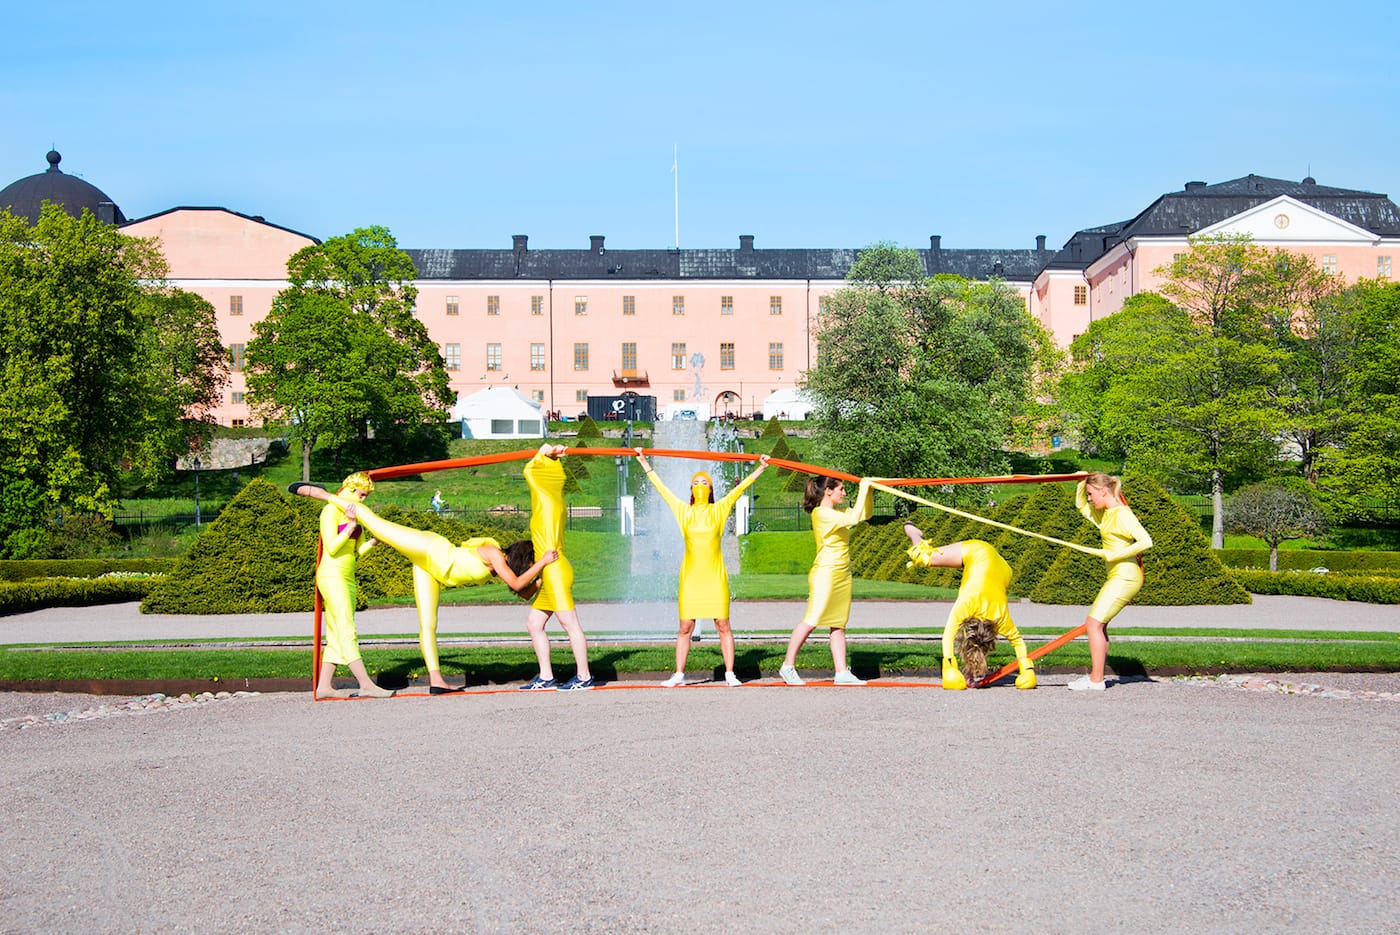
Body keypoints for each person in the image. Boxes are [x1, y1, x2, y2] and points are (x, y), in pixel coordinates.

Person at [290, 482, 559, 693]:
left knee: (428, 624)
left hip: (432, 570)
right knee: (376, 524)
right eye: (530, 563)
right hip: (431, 549)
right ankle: (319, 493)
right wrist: (544, 561)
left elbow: (522, 590)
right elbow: (516, 582)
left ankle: (436, 680)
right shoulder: (493, 553)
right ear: (520, 558)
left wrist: (541, 577)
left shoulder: (501, 568)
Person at [634, 450, 770, 686]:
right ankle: (678, 674)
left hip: (715, 578)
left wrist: (761, 467)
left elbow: (741, 489)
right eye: (695, 482)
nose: (699, 485)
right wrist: (644, 461)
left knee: (723, 624)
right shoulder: (683, 511)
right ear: (691, 490)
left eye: (704, 482)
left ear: (711, 489)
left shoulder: (720, 509)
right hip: (691, 579)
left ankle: (729, 673)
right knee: (685, 626)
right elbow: (662, 489)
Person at [902, 523, 1035, 690]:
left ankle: (974, 672)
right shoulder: (968, 604)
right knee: (922, 556)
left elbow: (1018, 642)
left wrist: (1027, 671)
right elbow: (948, 636)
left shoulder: (999, 618)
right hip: (981, 553)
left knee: (978, 645)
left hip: (1003, 570)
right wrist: (950, 670)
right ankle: (913, 532)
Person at [779, 475, 874, 686]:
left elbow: (865, 514)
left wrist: (870, 491)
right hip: (826, 573)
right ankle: (787, 666)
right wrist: (864, 488)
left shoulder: (836, 513)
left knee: (838, 624)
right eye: (841, 489)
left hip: (842, 573)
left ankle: (841, 672)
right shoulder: (821, 514)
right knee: (811, 620)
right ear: (828, 491)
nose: (844, 493)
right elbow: (854, 518)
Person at [310, 472, 393, 700]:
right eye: (362, 494)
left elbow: (356, 553)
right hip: (331, 575)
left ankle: (324, 686)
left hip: (348, 577)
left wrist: (374, 542)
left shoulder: (354, 512)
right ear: (351, 488)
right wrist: (350, 526)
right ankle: (366, 684)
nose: (363, 500)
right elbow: (333, 548)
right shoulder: (330, 511)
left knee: (337, 632)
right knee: (347, 629)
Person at [520, 443, 595, 691]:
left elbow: (529, 472)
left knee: (569, 623)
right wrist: (552, 456)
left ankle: (584, 677)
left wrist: (543, 453)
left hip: (553, 569)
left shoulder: (547, 506)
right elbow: (540, 475)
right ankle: (546, 676)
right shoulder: (555, 502)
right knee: (534, 624)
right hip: (551, 568)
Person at [1070, 473, 1153, 691]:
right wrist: (1081, 481)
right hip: (1116, 575)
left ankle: (1096, 681)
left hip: (1126, 576)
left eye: (1091, 494)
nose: (1089, 499)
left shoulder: (1122, 514)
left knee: (1093, 624)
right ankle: (1096, 677)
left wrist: (1115, 555)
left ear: (1103, 491)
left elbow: (1146, 541)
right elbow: (1081, 507)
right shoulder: (1105, 514)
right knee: (1099, 625)